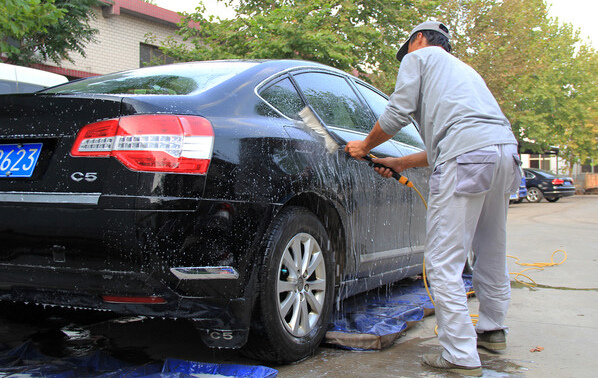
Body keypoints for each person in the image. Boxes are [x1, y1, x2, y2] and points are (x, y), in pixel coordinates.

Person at [345, 21, 521, 377]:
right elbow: (452, 140)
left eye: (407, 48)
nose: (405, 57)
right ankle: (492, 330)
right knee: (491, 248)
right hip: (504, 153)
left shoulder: (421, 57)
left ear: (420, 39)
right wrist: (398, 161)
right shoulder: (465, 72)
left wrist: (364, 146)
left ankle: (459, 355)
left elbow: (396, 113)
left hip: (468, 156)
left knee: (443, 261)